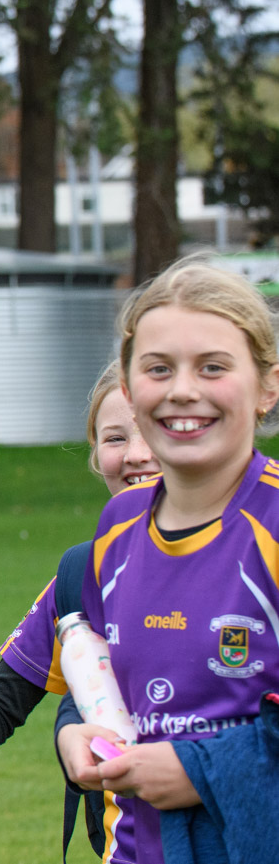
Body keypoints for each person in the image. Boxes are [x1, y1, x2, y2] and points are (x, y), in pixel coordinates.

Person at [54, 257, 279, 863]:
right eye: (159, 369)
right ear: (128, 389)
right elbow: (104, 685)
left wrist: (202, 770)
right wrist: (75, 734)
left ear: (267, 387)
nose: (183, 389)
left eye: (213, 367)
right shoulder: (118, 526)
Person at [0, 360, 159, 855]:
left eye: (153, 430)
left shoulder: (255, 554)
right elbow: (5, 699)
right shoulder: (82, 573)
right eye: (115, 439)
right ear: (94, 455)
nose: (137, 456)